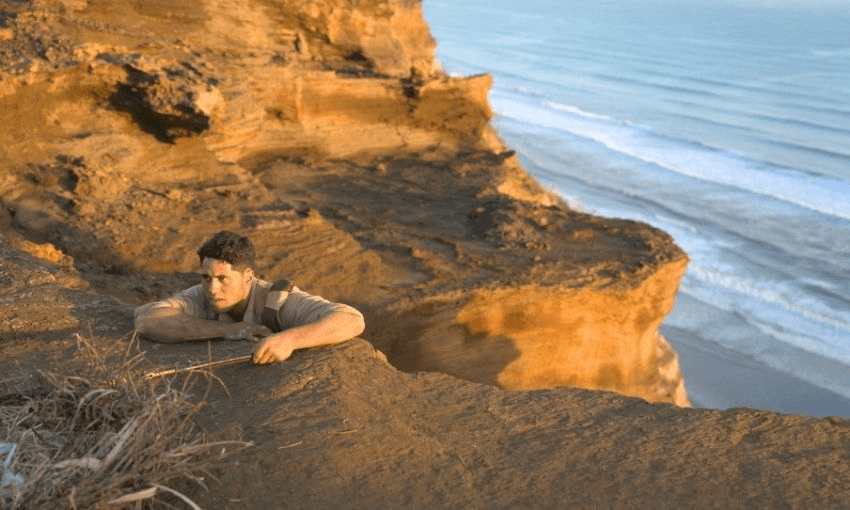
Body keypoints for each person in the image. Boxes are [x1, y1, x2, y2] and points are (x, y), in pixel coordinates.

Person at [134, 230, 365, 364]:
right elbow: (148, 321)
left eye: (223, 279)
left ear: (248, 277)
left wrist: (289, 340)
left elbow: (352, 320)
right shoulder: (203, 294)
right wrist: (234, 330)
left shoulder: (275, 300)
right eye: (206, 277)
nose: (212, 289)